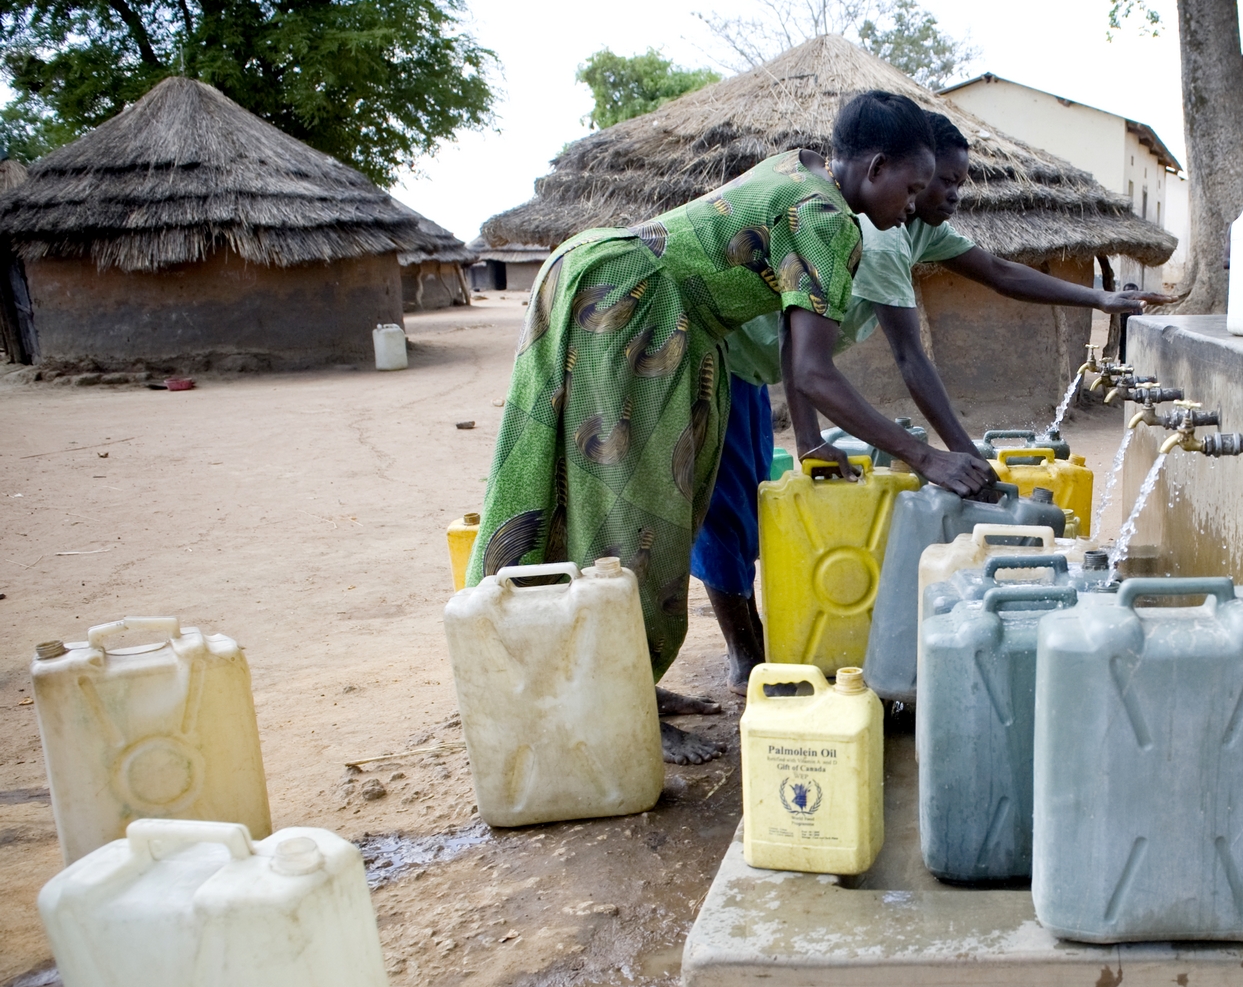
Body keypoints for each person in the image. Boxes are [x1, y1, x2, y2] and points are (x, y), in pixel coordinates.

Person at [470, 91, 982, 762]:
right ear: (876, 167)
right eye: (912, 189)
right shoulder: (828, 218)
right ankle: (615, 705)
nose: (912, 206)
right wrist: (926, 456)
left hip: (621, 286)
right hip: (634, 304)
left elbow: (790, 349)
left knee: (609, 498)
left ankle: (621, 682)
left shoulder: (800, 171)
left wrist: (812, 440)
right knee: (633, 515)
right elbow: (812, 371)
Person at [697, 109, 1169, 688]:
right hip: (720, 353)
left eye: (952, 185)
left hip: (756, 361)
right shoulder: (873, 238)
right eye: (940, 183)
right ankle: (745, 656)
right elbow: (903, 357)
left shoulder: (912, 225)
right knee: (726, 512)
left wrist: (1098, 302)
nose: (950, 195)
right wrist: (945, 456)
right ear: (890, 172)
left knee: (741, 505)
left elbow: (998, 271)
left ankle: (762, 645)